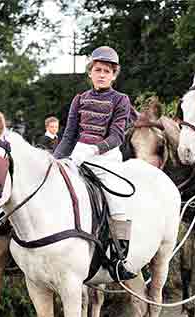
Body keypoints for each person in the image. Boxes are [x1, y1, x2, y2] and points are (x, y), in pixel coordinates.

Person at [53, 46, 137, 280]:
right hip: (78, 155)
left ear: (113, 75)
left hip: (106, 158)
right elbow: (69, 136)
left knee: (118, 200)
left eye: (107, 71)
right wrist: (55, 161)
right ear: (90, 72)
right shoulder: (79, 99)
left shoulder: (121, 100)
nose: (102, 74)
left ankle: (120, 259)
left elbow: (118, 136)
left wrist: (94, 149)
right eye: (97, 70)